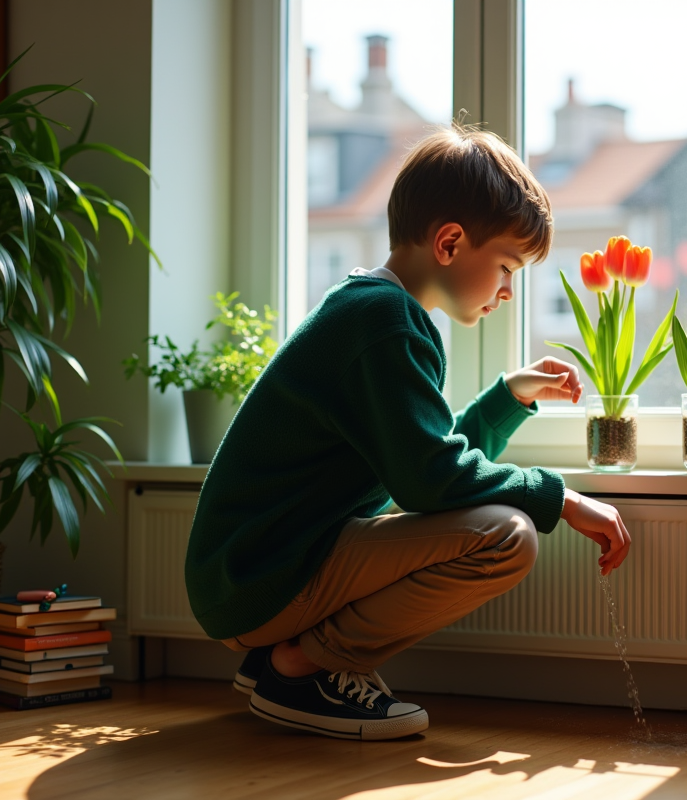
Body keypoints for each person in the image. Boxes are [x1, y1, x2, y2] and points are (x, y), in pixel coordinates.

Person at [184, 122, 632, 741]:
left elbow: (424, 458)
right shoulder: (386, 322)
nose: (506, 291)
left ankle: (279, 660)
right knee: (510, 536)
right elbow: (431, 479)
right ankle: (298, 669)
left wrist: (507, 399)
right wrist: (562, 498)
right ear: (449, 243)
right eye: (505, 267)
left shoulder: (375, 309)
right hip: (260, 576)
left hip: (255, 571)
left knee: (492, 519)